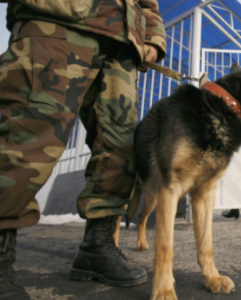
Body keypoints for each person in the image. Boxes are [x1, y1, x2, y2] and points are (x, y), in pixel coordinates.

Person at [0, 0, 166, 298]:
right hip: (57, 22)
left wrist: (153, 36)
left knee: (121, 150)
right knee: (26, 138)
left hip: (121, 43)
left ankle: (97, 249)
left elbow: (148, 2)